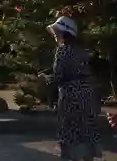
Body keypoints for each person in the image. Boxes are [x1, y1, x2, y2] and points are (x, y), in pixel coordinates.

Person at [40, 16, 102, 160]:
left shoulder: (62, 51)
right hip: (87, 93)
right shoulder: (81, 51)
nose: (55, 34)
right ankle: (89, 157)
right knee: (87, 127)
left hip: (71, 95)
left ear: (63, 33)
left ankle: (72, 157)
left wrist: (45, 79)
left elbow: (59, 76)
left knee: (70, 130)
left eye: (57, 31)